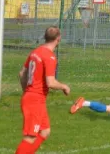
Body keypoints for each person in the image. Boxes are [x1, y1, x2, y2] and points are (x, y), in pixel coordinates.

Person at [16, 26, 70, 154]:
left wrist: (26, 91)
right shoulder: (49, 57)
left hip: (33, 98)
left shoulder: (35, 51)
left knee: (45, 131)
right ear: (58, 38)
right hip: (35, 99)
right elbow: (50, 82)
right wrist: (64, 86)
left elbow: (21, 74)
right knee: (30, 136)